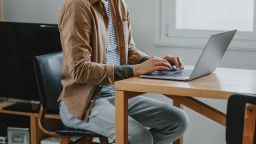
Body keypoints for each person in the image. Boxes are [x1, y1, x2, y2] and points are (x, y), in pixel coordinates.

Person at [58, 0, 188, 143]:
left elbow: (129, 50)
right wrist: (135, 69)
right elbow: (80, 70)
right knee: (138, 137)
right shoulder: (77, 5)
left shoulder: (118, 3)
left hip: (118, 93)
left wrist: (154, 63)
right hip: (84, 101)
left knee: (177, 121)